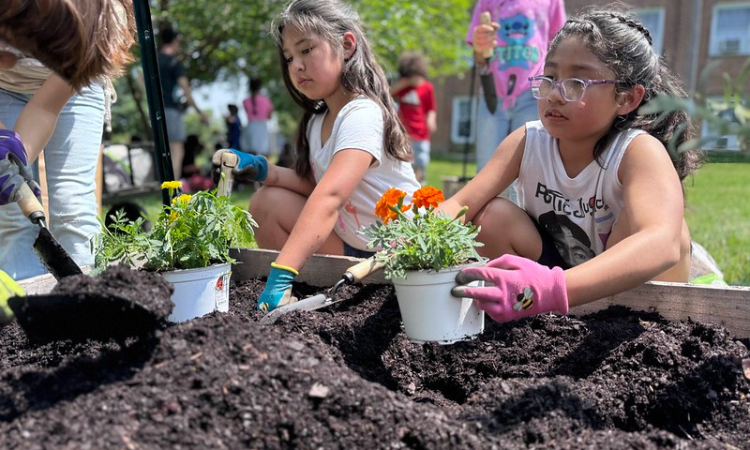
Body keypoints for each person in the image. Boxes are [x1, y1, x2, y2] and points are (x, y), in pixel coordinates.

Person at [445, 7, 704, 323]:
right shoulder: (528, 141)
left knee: (671, 230)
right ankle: (527, 320)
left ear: (626, 98)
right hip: (552, 281)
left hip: (628, 301)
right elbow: (460, 203)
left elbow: (662, 243)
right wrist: (411, 238)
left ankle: (651, 327)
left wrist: (552, 288)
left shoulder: (637, 151)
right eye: (550, 78)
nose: (554, 94)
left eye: (576, 82)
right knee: (492, 216)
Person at [213, 0, 420, 312]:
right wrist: (260, 169)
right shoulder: (316, 120)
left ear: (347, 45)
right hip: (354, 246)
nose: (296, 65)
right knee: (265, 203)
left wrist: (279, 274)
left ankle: (287, 282)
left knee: (285, 209)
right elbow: (314, 184)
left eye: (306, 50)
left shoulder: (361, 114)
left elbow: (331, 195)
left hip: (398, 253)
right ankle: (311, 289)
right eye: (289, 57)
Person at [0, 0, 135, 280]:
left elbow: (44, 108)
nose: (11, 58)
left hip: (77, 86)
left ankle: (88, 304)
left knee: (73, 205)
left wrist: (15, 162)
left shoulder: (98, 22)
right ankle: (21, 312)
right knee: (12, 215)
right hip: (4, 89)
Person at [466, 0, 566, 201]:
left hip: (533, 92)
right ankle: (485, 227)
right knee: (487, 166)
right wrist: (480, 46)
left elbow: (560, 46)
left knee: (531, 164)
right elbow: (479, 56)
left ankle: (526, 225)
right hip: (493, 92)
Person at [157, 27, 209, 180]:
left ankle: (165, 187)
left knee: (162, 150)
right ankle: (173, 189)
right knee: (176, 149)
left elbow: (141, 78)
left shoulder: (154, 59)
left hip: (156, 110)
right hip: (171, 110)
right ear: (175, 41)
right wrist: (200, 113)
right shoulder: (174, 62)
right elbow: (186, 91)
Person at [390, 51, 436, 184]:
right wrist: (406, 83)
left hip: (421, 133)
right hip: (405, 133)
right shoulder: (403, 87)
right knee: (405, 162)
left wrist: (431, 120)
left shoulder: (427, 87)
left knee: (421, 162)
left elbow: (431, 108)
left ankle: (419, 187)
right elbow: (388, 93)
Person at [241, 77, 274, 156]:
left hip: (251, 126)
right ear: (260, 87)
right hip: (262, 126)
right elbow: (269, 116)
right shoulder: (266, 100)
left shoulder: (245, 101)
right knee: (262, 153)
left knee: (250, 152)